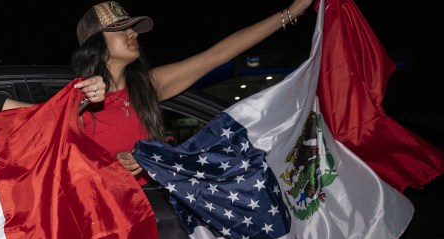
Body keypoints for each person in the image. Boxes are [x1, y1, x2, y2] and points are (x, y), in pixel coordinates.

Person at [71, 0, 314, 182]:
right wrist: (111, 166)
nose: (133, 33)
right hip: (105, 224)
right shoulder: (74, 104)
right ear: (97, 45)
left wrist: (292, 12)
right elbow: (41, 129)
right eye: (121, 29)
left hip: (158, 211)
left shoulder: (147, 86)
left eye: (132, 27)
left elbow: (218, 54)